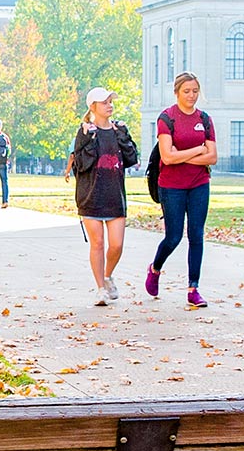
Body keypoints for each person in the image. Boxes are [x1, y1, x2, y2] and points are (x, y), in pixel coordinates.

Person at [146, 72, 217, 308]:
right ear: (177, 92)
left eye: (195, 91)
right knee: (173, 237)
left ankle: (193, 289)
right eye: (186, 91)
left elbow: (213, 156)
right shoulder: (167, 118)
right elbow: (167, 156)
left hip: (199, 184)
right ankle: (155, 268)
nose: (191, 95)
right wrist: (198, 150)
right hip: (171, 186)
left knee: (196, 235)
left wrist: (182, 156)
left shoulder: (205, 119)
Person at [73, 87, 138, 306]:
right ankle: (100, 288)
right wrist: (89, 138)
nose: (109, 105)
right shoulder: (84, 132)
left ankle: (108, 275)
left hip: (114, 194)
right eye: (104, 102)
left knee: (117, 245)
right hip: (90, 195)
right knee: (98, 243)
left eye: (111, 101)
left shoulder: (119, 129)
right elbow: (81, 165)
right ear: (93, 107)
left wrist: (123, 136)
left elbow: (131, 158)